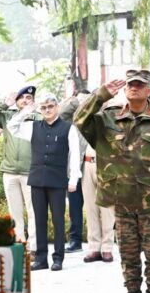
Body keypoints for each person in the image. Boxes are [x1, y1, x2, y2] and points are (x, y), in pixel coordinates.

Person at [74, 69, 150, 293]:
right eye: (131, 84)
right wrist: (101, 95)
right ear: (125, 90)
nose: (134, 87)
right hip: (121, 200)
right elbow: (79, 118)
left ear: (148, 91)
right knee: (129, 256)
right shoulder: (107, 119)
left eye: (139, 84)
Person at [8, 94, 82, 272]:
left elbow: (75, 155)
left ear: (57, 107)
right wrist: (26, 111)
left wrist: (74, 178)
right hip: (37, 179)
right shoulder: (33, 126)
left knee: (58, 221)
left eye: (50, 106)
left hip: (57, 181)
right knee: (39, 220)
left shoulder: (67, 128)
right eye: (43, 107)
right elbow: (12, 126)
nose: (47, 110)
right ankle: (41, 258)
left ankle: (58, 258)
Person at [0, 86, 38, 249]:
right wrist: (5, 103)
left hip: (31, 171)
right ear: (17, 101)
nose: (25, 101)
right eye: (22, 98)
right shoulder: (7, 117)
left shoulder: (38, 117)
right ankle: (20, 243)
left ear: (33, 100)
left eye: (29, 98)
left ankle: (33, 246)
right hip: (10, 171)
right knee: (15, 212)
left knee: (33, 211)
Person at [60, 89, 94, 253]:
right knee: (74, 206)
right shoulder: (70, 120)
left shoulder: (95, 115)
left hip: (92, 167)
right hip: (73, 168)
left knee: (95, 206)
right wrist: (74, 99)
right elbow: (59, 113)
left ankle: (99, 240)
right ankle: (75, 240)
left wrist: (91, 100)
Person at [80, 144, 116, 263]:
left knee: (107, 209)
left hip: (107, 164)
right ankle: (94, 247)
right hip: (87, 163)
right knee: (90, 208)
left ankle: (107, 248)